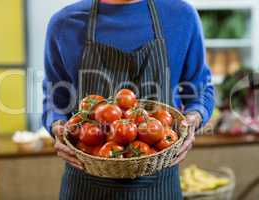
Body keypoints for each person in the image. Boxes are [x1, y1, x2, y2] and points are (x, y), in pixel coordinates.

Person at [42, 0, 214, 199]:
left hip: (160, 183)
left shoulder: (181, 17)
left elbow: (201, 89)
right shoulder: (64, 24)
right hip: (85, 180)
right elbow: (54, 96)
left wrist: (193, 118)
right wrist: (56, 125)